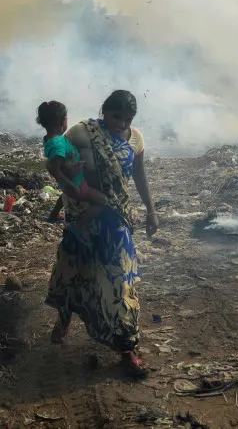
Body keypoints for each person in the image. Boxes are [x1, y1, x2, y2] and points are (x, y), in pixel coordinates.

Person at [44, 90, 159, 379]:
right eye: (115, 116)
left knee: (120, 282)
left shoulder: (136, 139)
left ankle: (126, 349)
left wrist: (151, 210)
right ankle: (64, 318)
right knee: (74, 271)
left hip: (115, 219)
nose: (121, 124)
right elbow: (66, 171)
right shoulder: (81, 133)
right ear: (104, 111)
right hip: (83, 217)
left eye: (127, 118)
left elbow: (139, 175)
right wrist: (65, 208)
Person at [36, 101, 107, 240]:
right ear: (63, 122)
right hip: (77, 184)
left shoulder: (52, 140)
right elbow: (55, 170)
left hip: (71, 181)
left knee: (65, 194)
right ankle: (80, 226)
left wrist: (70, 165)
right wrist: (72, 186)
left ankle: (54, 215)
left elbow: (59, 165)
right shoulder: (58, 145)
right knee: (102, 200)